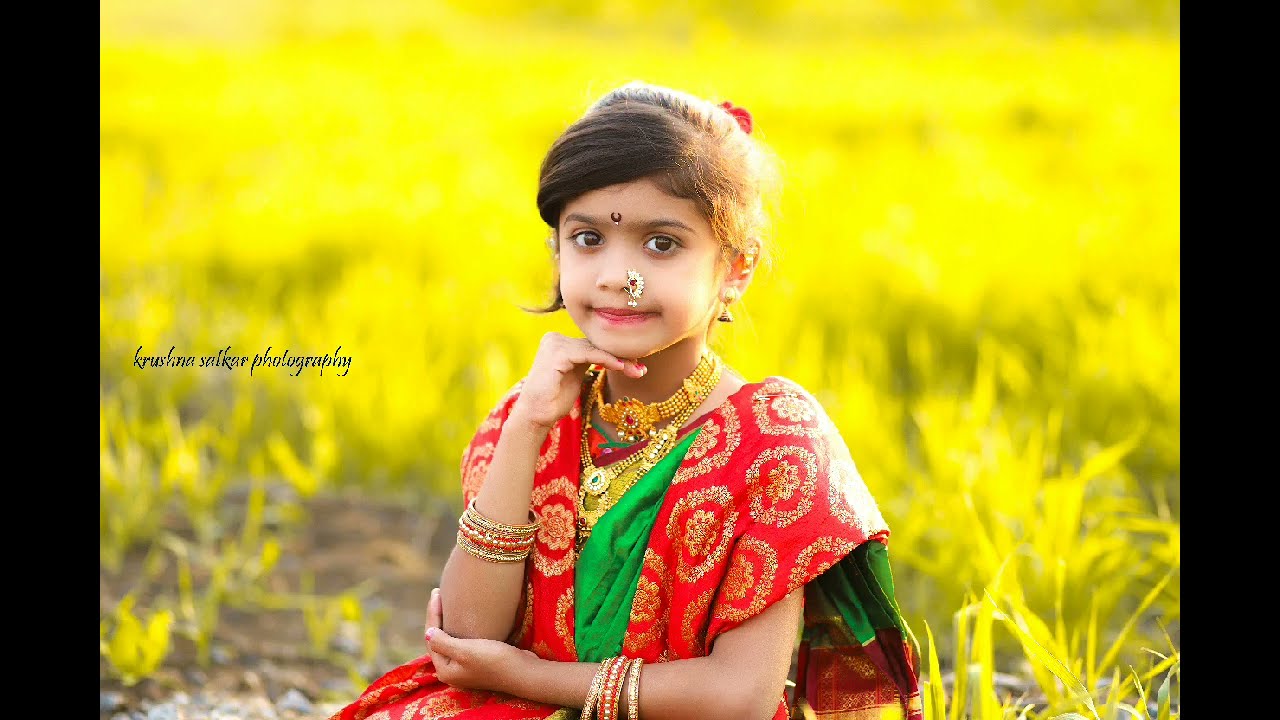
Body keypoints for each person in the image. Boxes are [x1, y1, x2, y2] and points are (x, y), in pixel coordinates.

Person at [330, 81, 922, 720]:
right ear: (556, 250)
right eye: (588, 239)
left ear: (736, 268)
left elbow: (739, 697)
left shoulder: (773, 440)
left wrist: (537, 679)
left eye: (661, 244)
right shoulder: (528, 415)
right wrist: (529, 425)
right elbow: (469, 639)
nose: (618, 275)